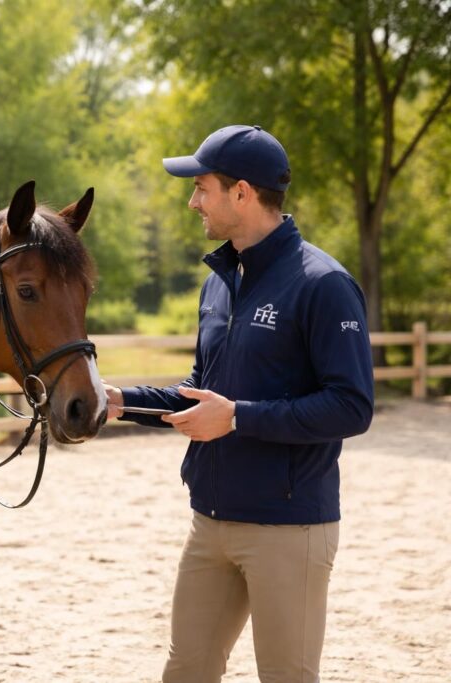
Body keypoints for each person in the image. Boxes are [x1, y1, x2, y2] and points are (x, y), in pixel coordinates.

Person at [104, 125, 374, 683]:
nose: (192, 200)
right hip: (211, 520)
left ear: (242, 193)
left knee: (287, 676)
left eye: (202, 188)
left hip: (289, 528)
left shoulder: (324, 285)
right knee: (187, 671)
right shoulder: (220, 283)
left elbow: (351, 406)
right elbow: (203, 390)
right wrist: (120, 402)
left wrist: (238, 417)